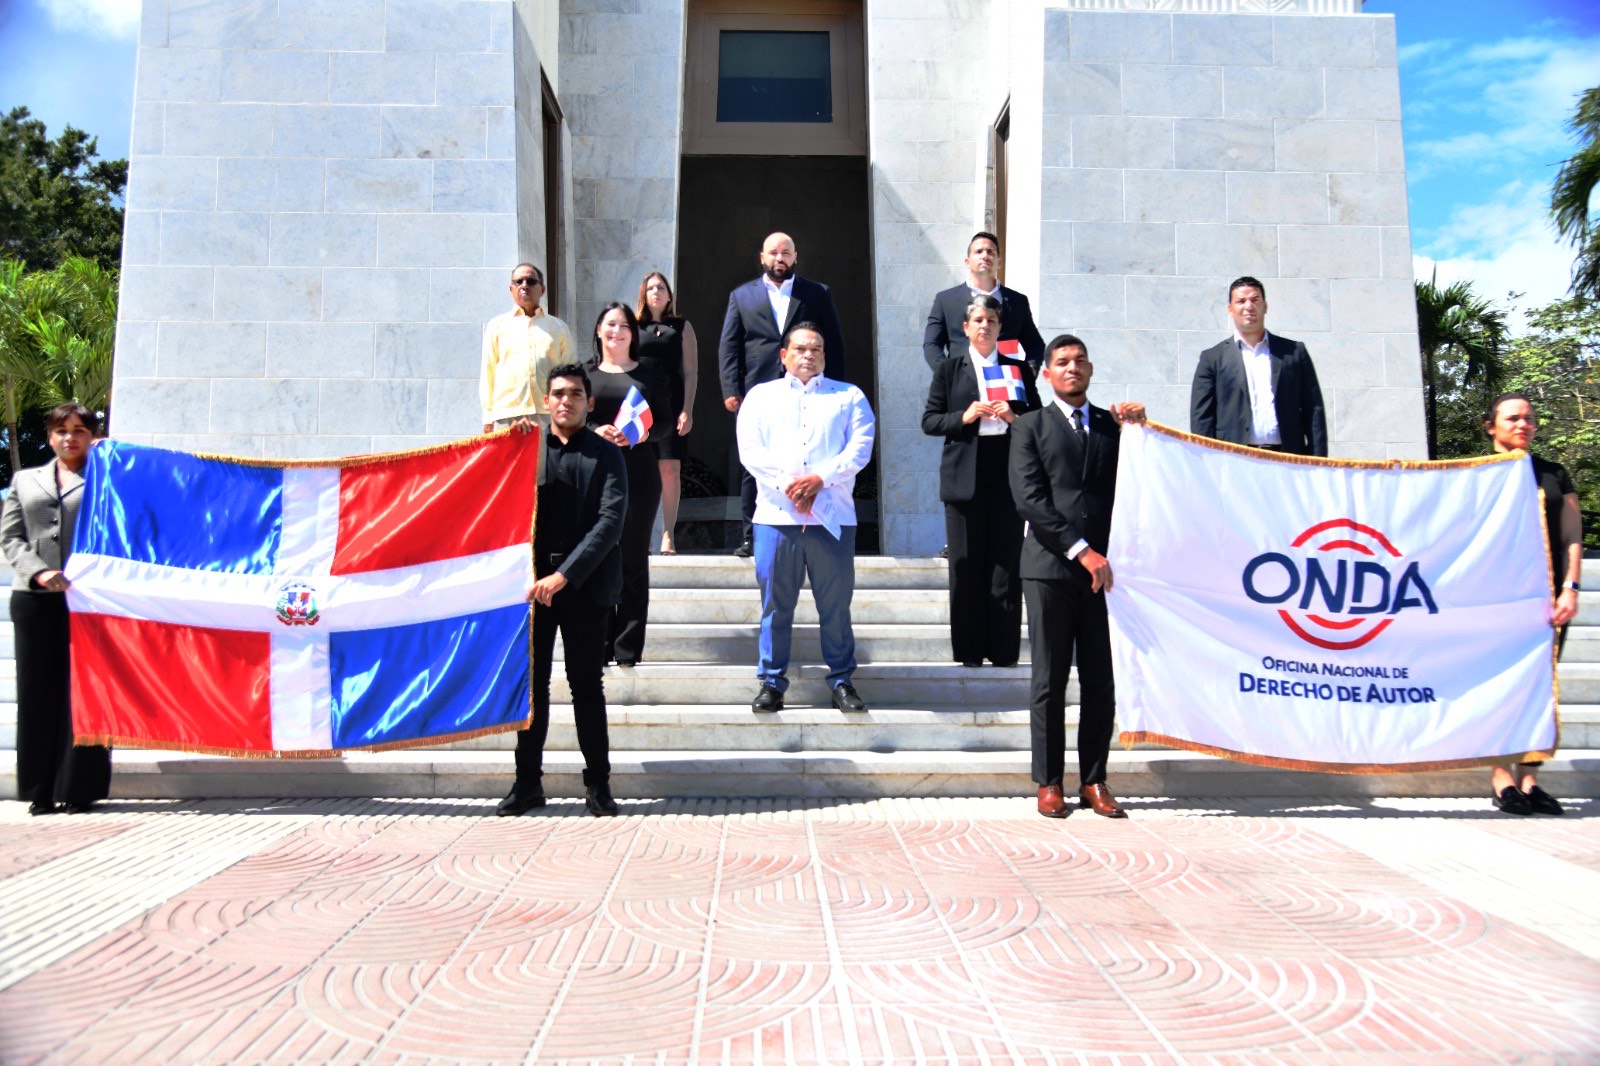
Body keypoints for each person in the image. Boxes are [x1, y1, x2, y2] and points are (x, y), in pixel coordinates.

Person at [1009, 336, 1144, 820]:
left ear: (1090, 370)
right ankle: (1048, 782)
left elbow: (1139, 481)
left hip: (1105, 578)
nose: (1072, 368)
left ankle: (1094, 779)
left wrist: (1142, 428)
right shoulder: (1029, 426)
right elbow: (1030, 500)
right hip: (1049, 570)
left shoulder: (1112, 427)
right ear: (1046, 373)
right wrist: (1081, 551)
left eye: (1080, 361)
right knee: (1048, 679)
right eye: (1062, 362)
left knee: (1100, 681)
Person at [500, 364, 627, 818]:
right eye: (558, 393)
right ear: (546, 401)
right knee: (532, 691)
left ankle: (598, 786)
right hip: (532, 589)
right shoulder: (528, 451)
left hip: (585, 588)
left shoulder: (607, 454)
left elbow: (609, 523)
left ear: (589, 403)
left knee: (586, 687)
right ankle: (526, 784)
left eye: (576, 393)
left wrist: (565, 576)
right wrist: (509, 444)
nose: (566, 401)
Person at [736, 323, 874, 714]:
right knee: (776, 605)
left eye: (817, 348)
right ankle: (771, 682)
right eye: (800, 348)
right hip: (777, 517)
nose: (808, 354)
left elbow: (860, 448)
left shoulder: (848, 396)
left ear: (825, 355)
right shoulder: (761, 397)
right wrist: (789, 485)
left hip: (832, 519)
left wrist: (820, 479)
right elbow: (750, 449)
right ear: (784, 355)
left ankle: (842, 680)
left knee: (835, 606)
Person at [2, 403, 111, 815]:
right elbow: (11, 538)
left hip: (89, 604)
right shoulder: (25, 480)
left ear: (91, 436)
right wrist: (39, 572)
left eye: (79, 430)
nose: (70, 438)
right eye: (62, 431)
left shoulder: (107, 479)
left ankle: (79, 788)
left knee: (86, 692)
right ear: (50, 437)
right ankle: (40, 790)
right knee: (38, 694)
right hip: (35, 601)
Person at [921, 295, 1041, 667]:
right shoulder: (950, 370)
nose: (985, 325)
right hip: (964, 474)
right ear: (966, 328)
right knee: (965, 563)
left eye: (991, 319)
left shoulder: (1017, 368)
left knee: (1005, 563)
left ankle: (1004, 650)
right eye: (978, 320)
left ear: (1000, 327)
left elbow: (1038, 423)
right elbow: (929, 421)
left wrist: (1014, 416)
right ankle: (970, 651)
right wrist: (964, 415)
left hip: (1006, 473)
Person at [719, 232, 847, 557]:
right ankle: (753, 536)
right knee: (754, 465)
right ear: (762, 257)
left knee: (811, 456)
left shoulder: (816, 293)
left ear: (795, 256)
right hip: (759, 394)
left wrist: (836, 389)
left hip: (810, 392)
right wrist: (732, 389)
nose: (780, 258)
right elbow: (730, 347)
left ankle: (816, 529)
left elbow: (833, 341)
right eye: (773, 253)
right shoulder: (741, 296)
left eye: (786, 253)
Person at [1483, 392, 1578, 816]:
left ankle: (1530, 778)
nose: (1523, 424)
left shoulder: (1554, 474)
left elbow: (1572, 537)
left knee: (1539, 688)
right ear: (1492, 426)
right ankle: (1501, 777)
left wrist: (1570, 587)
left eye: (1529, 418)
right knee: (1498, 686)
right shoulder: (1473, 475)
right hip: (1494, 599)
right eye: (1513, 418)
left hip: (1548, 598)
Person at [584, 302, 671, 667]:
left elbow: (665, 424)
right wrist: (593, 429)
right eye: (610, 324)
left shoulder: (649, 371)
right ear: (599, 330)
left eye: (624, 325)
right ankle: (599, 643)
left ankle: (627, 647)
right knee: (597, 556)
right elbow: (567, 420)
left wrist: (639, 433)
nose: (617, 331)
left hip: (638, 470)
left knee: (633, 558)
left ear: (633, 334)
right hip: (593, 474)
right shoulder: (584, 373)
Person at [1189, 275, 1326, 456]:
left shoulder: (1294, 352)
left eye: (1255, 300)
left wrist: (1319, 463)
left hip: (1288, 459)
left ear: (1265, 306)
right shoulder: (1212, 358)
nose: (1249, 306)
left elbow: (1313, 410)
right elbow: (1202, 420)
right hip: (1234, 460)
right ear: (1230, 309)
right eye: (1241, 301)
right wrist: (1205, 463)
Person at [636, 272, 700, 555]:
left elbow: (691, 371)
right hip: (639, 403)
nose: (656, 292)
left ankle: (667, 536)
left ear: (669, 294)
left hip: (671, 403)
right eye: (651, 288)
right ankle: (639, 535)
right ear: (644, 294)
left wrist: (687, 409)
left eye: (661, 287)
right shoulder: (633, 325)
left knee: (670, 468)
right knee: (639, 469)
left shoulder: (681, 326)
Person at [922, 231, 1046, 374]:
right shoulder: (946, 300)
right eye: (979, 251)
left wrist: (1028, 373)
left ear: (999, 262)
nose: (985, 256)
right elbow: (932, 344)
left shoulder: (1018, 301)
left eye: (990, 251)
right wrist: (947, 376)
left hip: (1004, 383)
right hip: (962, 384)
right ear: (967, 262)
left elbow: (1035, 344)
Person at [480, 262, 574, 432]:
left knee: (547, 459)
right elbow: (488, 372)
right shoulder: (497, 326)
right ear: (511, 289)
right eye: (519, 282)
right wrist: (488, 416)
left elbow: (571, 372)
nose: (524, 286)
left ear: (542, 289)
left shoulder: (558, 328)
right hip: (507, 415)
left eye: (531, 281)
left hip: (548, 414)